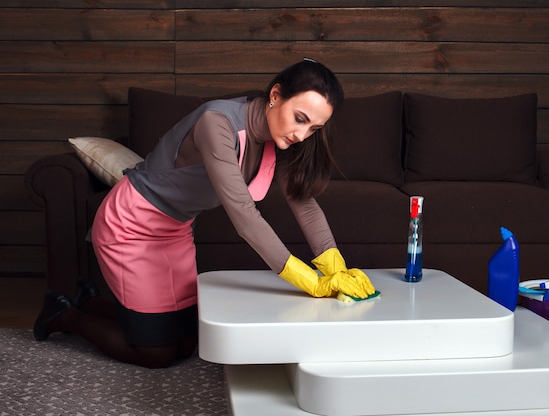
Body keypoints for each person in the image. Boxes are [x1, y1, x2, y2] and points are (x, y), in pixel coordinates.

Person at [33, 59, 376, 368]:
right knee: (157, 354)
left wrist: (337, 267)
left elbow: (305, 204)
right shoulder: (218, 123)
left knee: (187, 343)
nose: (302, 135)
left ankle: (88, 301)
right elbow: (244, 215)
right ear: (275, 94)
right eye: (300, 119)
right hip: (131, 224)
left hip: (176, 230)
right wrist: (309, 281)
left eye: (313, 129)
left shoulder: (279, 138)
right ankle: (65, 314)